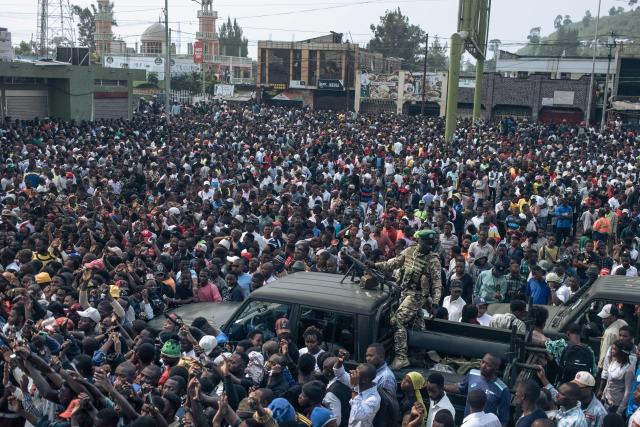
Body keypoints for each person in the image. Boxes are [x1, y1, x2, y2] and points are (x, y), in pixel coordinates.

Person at [373, 230, 442, 369]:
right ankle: (420, 354)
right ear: (418, 241)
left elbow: (437, 283)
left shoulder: (433, 260)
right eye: (426, 243)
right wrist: (375, 265)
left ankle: (401, 357)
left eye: (431, 243)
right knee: (417, 325)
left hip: (416, 296)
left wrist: (435, 303)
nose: (429, 246)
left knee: (396, 321)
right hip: (403, 292)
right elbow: (392, 264)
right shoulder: (409, 251)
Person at [445, 353, 510, 425]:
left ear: (496, 368)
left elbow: (503, 419)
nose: (483, 366)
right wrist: (442, 386)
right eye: (483, 362)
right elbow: (460, 388)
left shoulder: (503, 389)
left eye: (488, 365)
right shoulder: (472, 374)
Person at [598, 340, 634, 416]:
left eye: (615, 349)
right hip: (606, 400)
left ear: (622, 352)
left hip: (616, 405)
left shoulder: (628, 370)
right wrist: (603, 395)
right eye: (612, 348)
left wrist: (619, 410)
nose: (612, 351)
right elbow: (609, 381)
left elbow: (627, 392)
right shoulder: (614, 361)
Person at [348, 363, 381, 427]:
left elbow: (358, 415)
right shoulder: (361, 387)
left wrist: (354, 388)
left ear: (365, 380)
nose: (354, 375)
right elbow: (341, 376)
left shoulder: (373, 398)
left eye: (357, 373)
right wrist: (340, 362)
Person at [597, 304, 628, 370]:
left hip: (609, 368)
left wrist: (600, 368)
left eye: (605, 318)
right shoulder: (623, 322)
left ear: (613, 317)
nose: (602, 320)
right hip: (623, 365)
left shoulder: (609, 333)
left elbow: (604, 355)